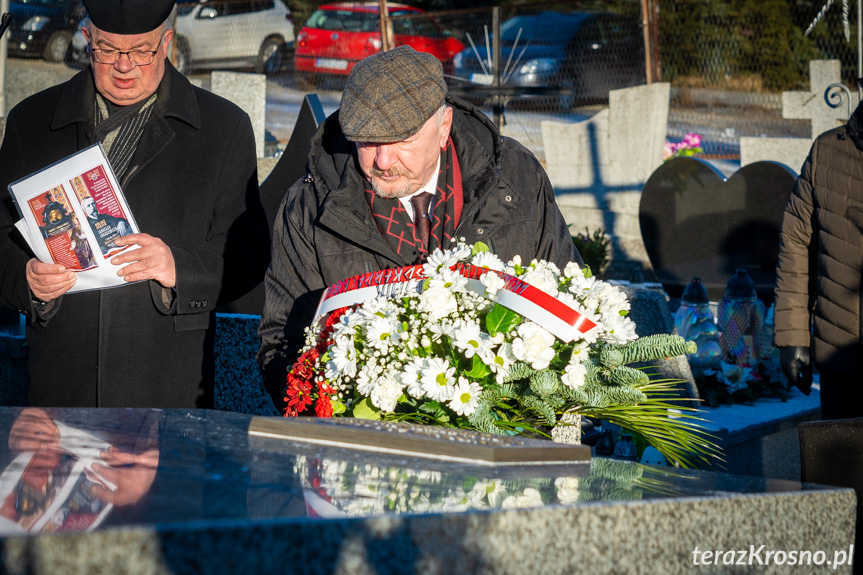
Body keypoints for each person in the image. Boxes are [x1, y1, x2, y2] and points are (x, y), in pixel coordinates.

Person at [257, 46, 582, 409]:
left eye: (402, 140)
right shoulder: (307, 207)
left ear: (444, 127)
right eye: (366, 140)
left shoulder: (517, 177)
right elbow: (282, 345)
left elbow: (567, 300)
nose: (382, 160)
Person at [0, 0, 269, 408]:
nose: (125, 66)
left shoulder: (223, 128)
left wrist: (177, 266)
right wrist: (26, 280)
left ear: (166, 43)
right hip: (60, 389)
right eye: (107, 50)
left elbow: (248, 255)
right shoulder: (31, 122)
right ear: (87, 39)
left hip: (169, 390)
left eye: (141, 51)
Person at [774, 100, 863, 420]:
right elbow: (797, 243)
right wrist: (793, 336)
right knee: (841, 469)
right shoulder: (827, 151)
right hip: (840, 357)